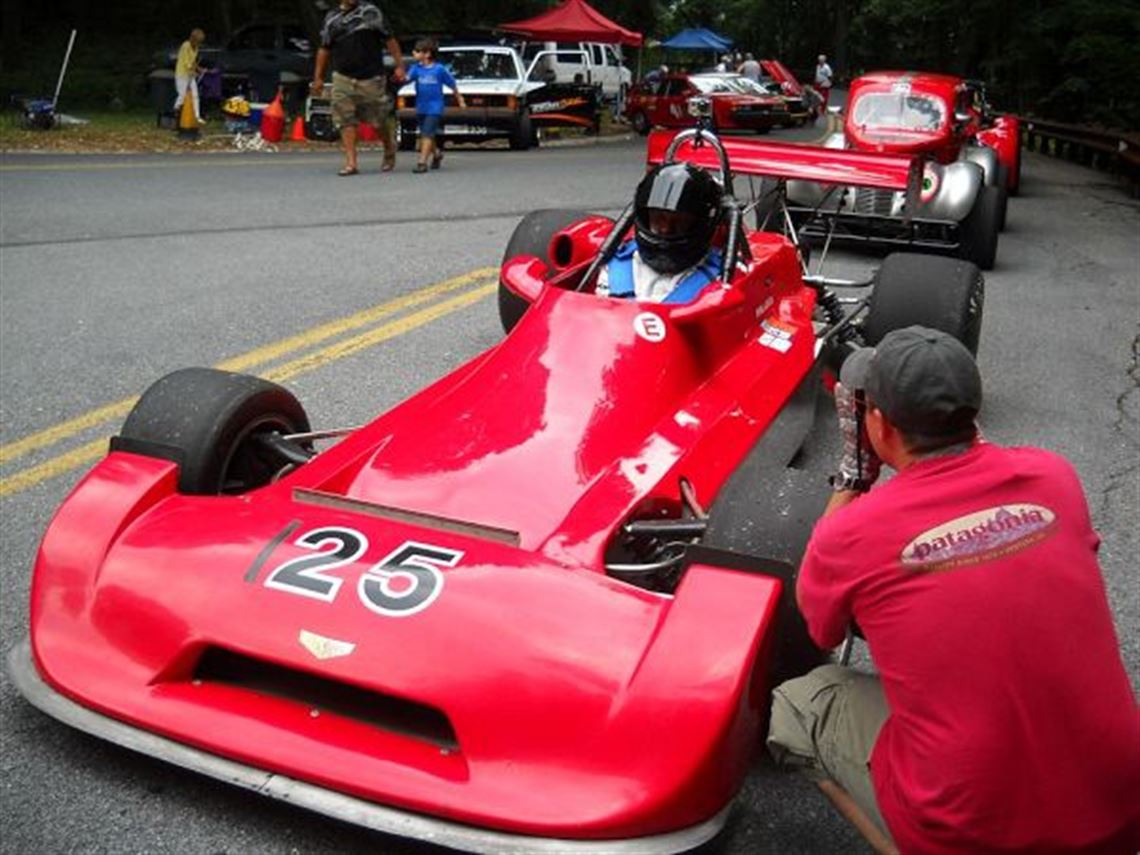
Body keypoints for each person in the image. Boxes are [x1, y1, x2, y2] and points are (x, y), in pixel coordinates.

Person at [766, 327, 1140, 855]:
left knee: (799, 705)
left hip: (974, 834)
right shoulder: (1054, 476)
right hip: (1120, 811)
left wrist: (852, 476)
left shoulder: (850, 534)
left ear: (877, 421)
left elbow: (818, 624)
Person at [596, 162, 723, 303]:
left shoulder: (719, 280)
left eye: (680, 221)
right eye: (658, 218)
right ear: (644, 216)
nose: (665, 229)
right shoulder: (615, 269)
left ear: (701, 223)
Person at [310, 0, 405, 176]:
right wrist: (318, 78)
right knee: (345, 118)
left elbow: (390, 39)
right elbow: (324, 48)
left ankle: (388, 147)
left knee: (378, 119)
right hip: (343, 76)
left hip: (371, 76)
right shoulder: (332, 18)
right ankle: (351, 162)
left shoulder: (371, 12)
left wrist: (400, 65)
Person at [406, 38, 465, 174]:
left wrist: (460, 99)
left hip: (435, 106)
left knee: (426, 134)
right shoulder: (416, 69)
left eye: (418, 51)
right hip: (421, 106)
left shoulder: (439, 70)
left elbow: (452, 84)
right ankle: (437, 154)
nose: (414, 53)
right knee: (427, 133)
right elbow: (407, 79)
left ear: (427, 54)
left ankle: (422, 162)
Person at [173, 28, 207, 125]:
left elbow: (193, 61)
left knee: (195, 95)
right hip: (182, 74)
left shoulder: (196, 48)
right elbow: (186, 61)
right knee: (182, 95)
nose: (199, 44)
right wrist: (191, 70)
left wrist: (199, 69)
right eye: (198, 41)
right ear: (194, 39)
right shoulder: (185, 46)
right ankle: (176, 111)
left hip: (190, 75)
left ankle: (197, 116)